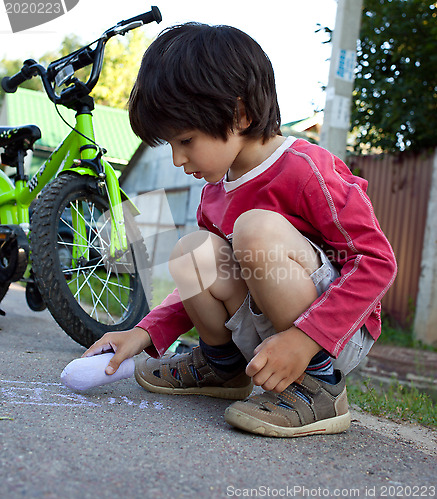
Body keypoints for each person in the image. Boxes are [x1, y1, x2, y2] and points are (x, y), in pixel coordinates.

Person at [83, 23, 397, 437]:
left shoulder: (306, 169)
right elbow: (200, 282)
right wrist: (143, 333)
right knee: (193, 250)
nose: (178, 159)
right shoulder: (215, 193)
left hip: (333, 336)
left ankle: (318, 387)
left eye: (186, 140)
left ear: (240, 114)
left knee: (254, 229)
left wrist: (305, 341)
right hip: (265, 332)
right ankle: (224, 368)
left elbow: (376, 262)